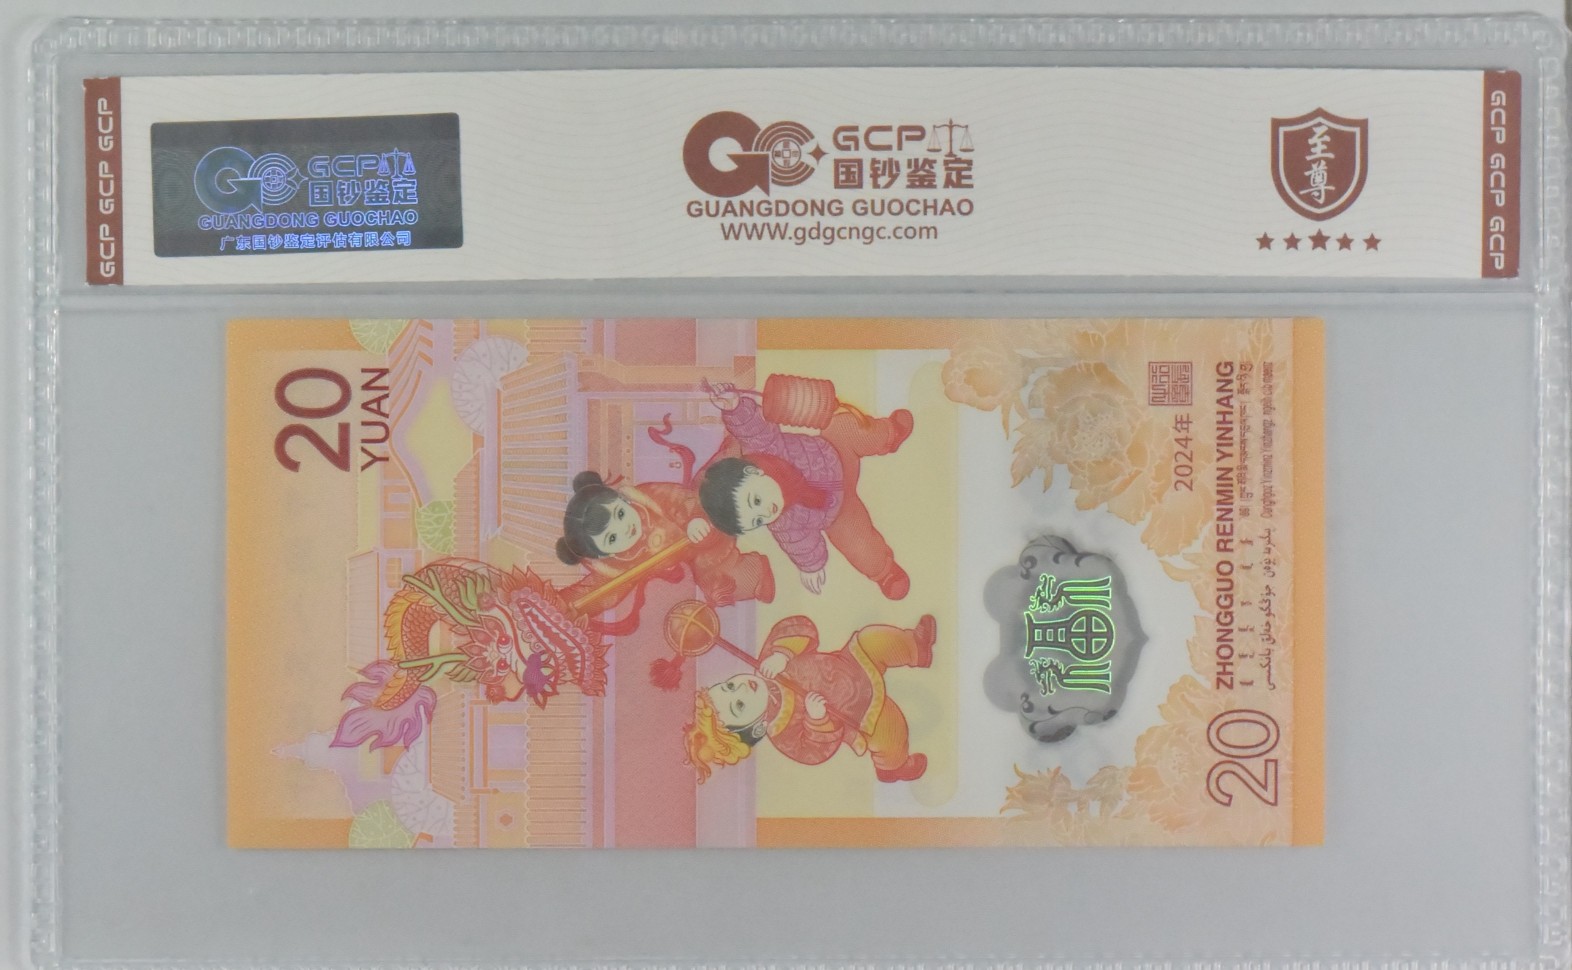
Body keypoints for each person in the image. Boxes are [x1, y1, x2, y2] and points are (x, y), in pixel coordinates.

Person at [696, 382, 912, 599]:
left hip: (836, 453)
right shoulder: (783, 522)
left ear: (752, 472)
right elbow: (801, 545)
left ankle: (889, 434)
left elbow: (752, 429)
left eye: (756, 501)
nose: (767, 512)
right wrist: (811, 567)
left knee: (843, 426)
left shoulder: (766, 447)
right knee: (858, 545)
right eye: (757, 520)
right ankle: (885, 572)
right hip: (838, 513)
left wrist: (734, 407)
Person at [683, 613, 936, 783]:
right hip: (863, 716)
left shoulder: (769, 662)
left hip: (853, 663)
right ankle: (893, 768)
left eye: (729, 686)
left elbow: (801, 626)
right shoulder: (782, 733)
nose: (741, 689)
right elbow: (813, 752)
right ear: (756, 729)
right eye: (739, 705)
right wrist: (817, 721)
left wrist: (783, 653)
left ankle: (915, 646)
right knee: (891, 736)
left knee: (871, 638)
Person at [556, 472, 774, 631]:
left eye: (621, 514)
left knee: (712, 554)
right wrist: (568, 606)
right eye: (612, 538)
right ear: (602, 554)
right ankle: (755, 574)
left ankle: (754, 569)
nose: (625, 529)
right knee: (714, 581)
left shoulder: (648, 498)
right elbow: (600, 592)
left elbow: (679, 499)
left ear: (623, 500)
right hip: (682, 557)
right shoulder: (616, 564)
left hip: (693, 532)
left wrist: (693, 519)